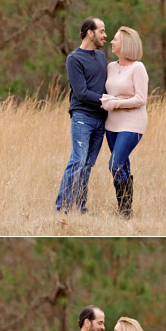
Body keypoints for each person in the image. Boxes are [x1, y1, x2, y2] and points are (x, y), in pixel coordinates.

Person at [55, 17, 108, 214]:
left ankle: (79, 206)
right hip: (82, 117)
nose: (105, 35)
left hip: (101, 119)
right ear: (89, 32)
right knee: (77, 160)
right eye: (101, 31)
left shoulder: (102, 57)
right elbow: (81, 92)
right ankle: (62, 207)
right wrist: (106, 100)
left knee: (87, 165)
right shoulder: (74, 59)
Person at [101, 27, 148, 219]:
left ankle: (124, 210)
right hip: (111, 124)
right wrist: (111, 100)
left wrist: (116, 102)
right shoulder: (111, 67)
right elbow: (109, 93)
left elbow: (141, 99)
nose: (111, 42)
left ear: (126, 44)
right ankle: (126, 211)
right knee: (123, 165)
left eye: (115, 39)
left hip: (132, 124)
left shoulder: (138, 68)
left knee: (114, 163)